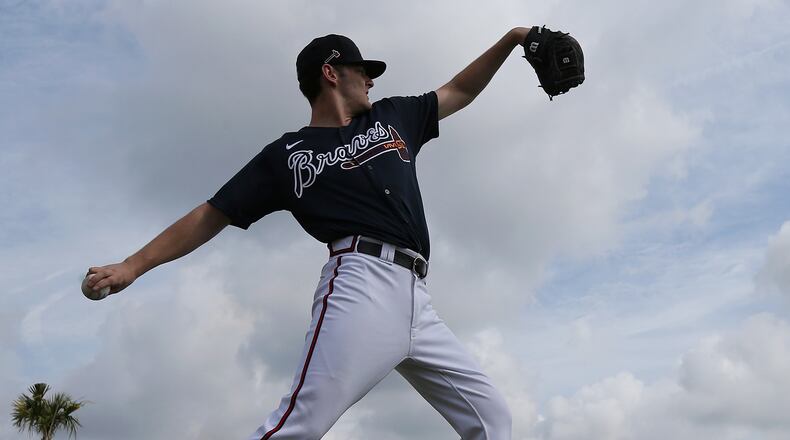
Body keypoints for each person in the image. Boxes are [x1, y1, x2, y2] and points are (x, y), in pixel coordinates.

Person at [86, 28, 534, 440]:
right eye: (363, 71)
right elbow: (211, 214)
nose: (371, 81)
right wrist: (131, 266)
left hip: (418, 295)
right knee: (299, 425)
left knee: (492, 419)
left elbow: (459, 89)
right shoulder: (287, 155)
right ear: (331, 73)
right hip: (361, 286)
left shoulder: (395, 115)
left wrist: (514, 39)